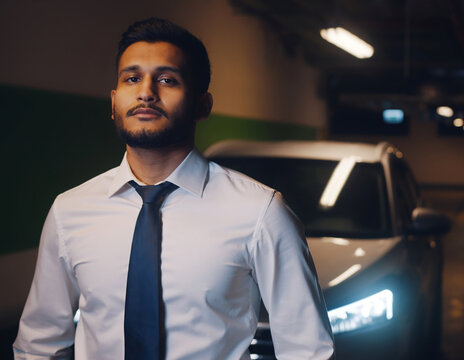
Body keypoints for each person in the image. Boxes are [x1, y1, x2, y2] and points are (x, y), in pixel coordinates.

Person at [13, 18, 334, 360]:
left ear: (202, 105)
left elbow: (306, 349)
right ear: (113, 101)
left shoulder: (261, 213)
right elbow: (40, 345)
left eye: (168, 80)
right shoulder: (70, 211)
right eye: (132, 78)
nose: (146, 92)